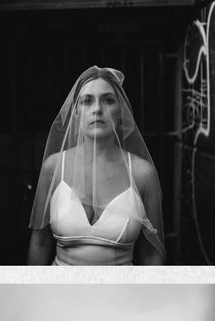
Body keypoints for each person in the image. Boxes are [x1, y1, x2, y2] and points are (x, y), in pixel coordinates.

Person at [27, 66, 165, 265]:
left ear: (120, 113)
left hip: (121, 294)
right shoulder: (54, 167)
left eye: (108, 100)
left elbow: (151, 253)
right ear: (76, 112)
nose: (97, 109)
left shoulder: (143, 173)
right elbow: (39, 243)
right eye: (87, 101)